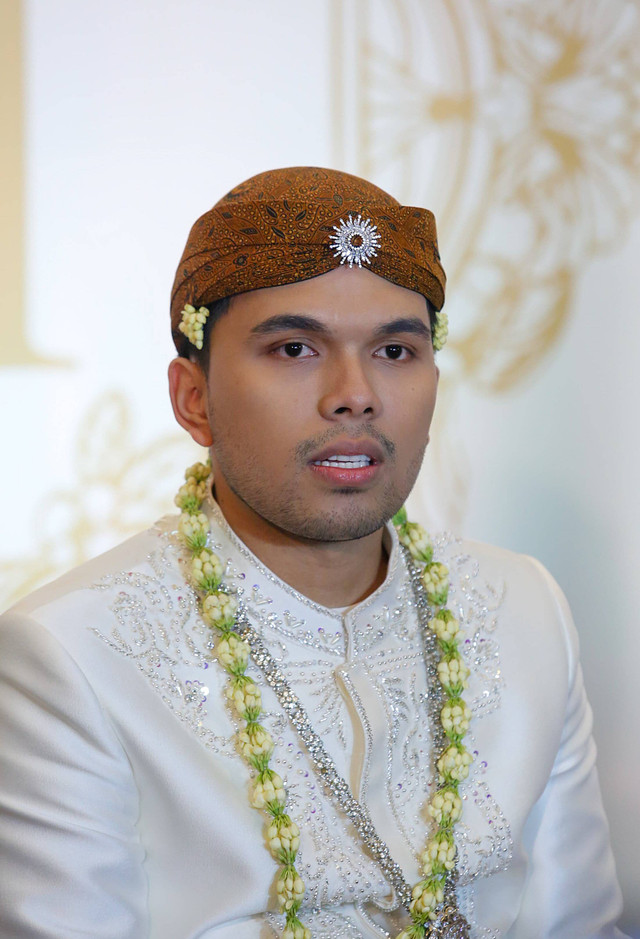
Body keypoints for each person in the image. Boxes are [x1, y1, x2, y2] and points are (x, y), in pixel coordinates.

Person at [0, 166, 627, 939]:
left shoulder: (525, 607)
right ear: (192, 398)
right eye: (296, 347)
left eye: (396, 350)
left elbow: (580, 925)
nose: (354, 393)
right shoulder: (70, 653)